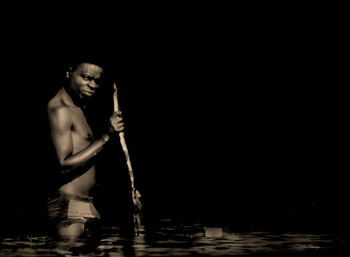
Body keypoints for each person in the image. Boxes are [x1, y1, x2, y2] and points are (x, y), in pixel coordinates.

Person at [46, 55, 125, 239]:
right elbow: (64, 165)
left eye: (97, 81)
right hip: (69, 207)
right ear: (69, 72)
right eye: (87, 78)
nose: (93, 85)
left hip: (83, 204)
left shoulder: (78, 108)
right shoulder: (60, 109)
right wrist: (105, 137)